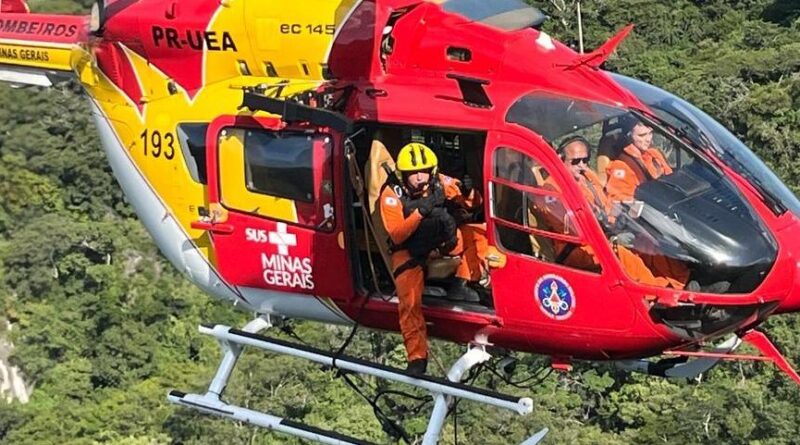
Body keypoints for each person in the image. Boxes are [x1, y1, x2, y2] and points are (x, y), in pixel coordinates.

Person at [379, 142, 487, 375]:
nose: (419, 178)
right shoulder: (391, 195)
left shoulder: (439, 182)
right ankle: (417, 358)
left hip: (442, 243)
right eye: (413, 174)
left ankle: (464, 282)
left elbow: (473, 202)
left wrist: (469, 193)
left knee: (478, 233)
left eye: (424, 172)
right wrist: (421, 211)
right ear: (402, 174)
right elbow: (397, 233)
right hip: (409, 251)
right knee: (409, 304)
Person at [558, 136, 691, 289]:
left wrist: (624, 213)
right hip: (581, 245)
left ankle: (680, 283)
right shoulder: (553, 188)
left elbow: (607, 202)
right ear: (560, 160)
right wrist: (603, 220)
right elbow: (569, 224)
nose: (582, 165)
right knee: (623, 254)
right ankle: (652, 293)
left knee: (649, 240)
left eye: (585, 160)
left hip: (606, 230)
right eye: (575, 161)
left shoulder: (587, 177)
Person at [605, 122, 672, 202]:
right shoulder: (622, 166)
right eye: (642, 135)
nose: (648, 139)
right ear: (629, 137)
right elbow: (618, 200)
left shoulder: (654, 154)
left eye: (650, 133)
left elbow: (671, 177)